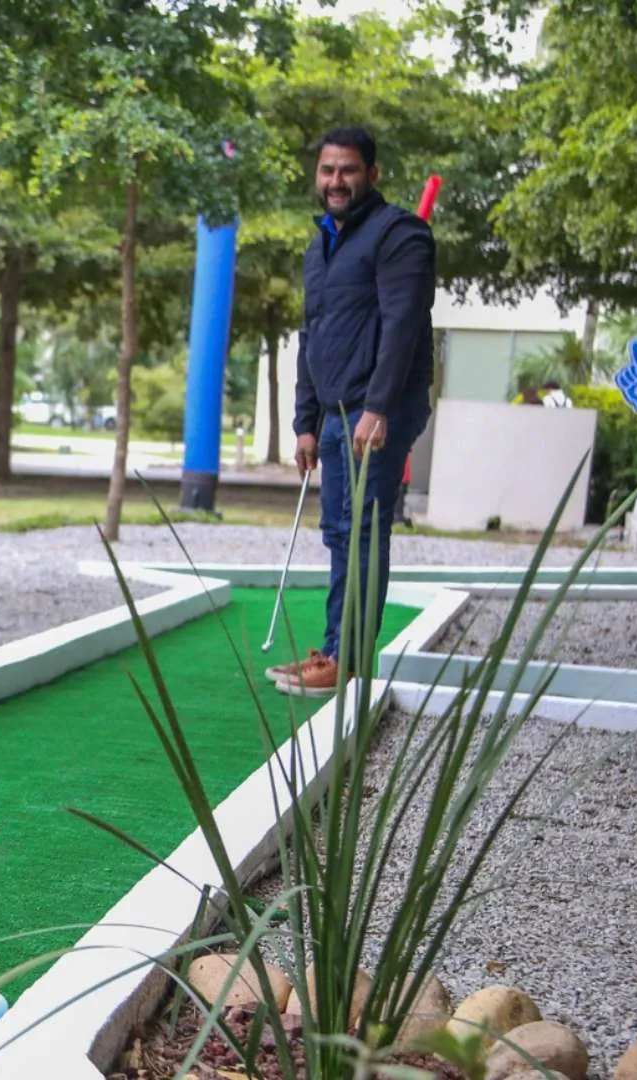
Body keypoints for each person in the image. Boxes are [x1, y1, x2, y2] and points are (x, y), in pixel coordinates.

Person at [268, 126, 436, 697]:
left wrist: (379, 407)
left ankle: (348, 658)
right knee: (341, 532)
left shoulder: (400, 235)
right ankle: (335, 649)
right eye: (327, 170)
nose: (336, 181)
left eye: (348, 170)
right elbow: (312, 337)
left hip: (377, 411)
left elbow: (402, 325)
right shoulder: (320, 248)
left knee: (362, 531)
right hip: (335, 412)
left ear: (373, 174)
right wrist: (304, 423)